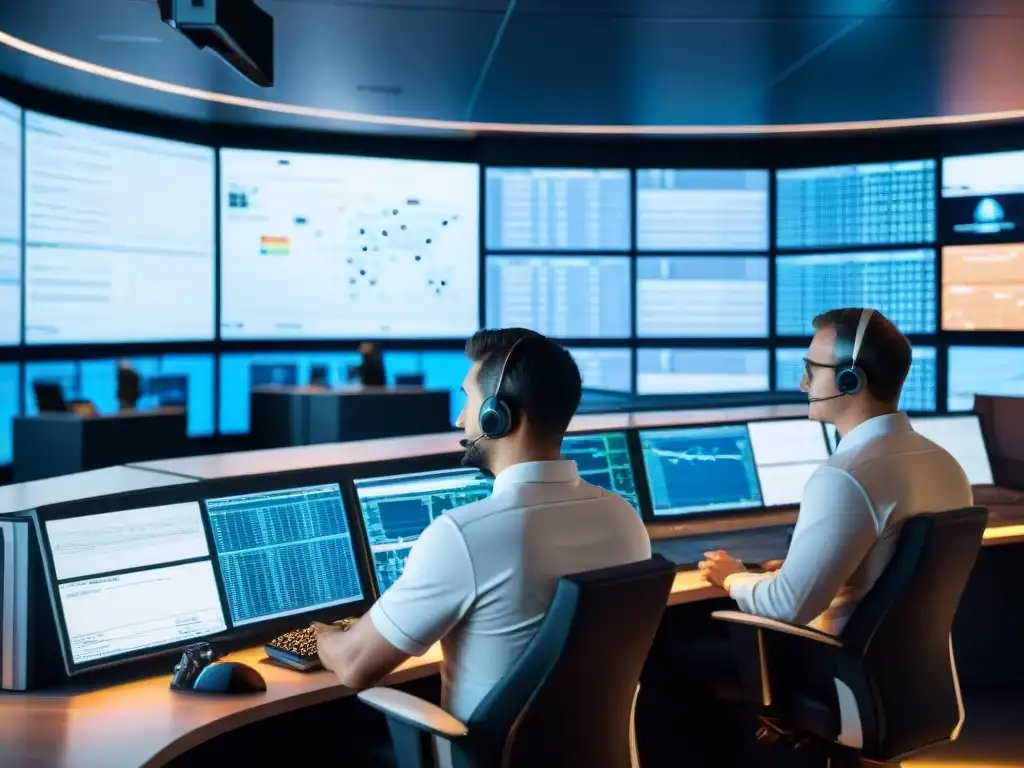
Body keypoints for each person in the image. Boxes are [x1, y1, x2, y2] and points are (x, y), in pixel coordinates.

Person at [313, 328, 651, 763]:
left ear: (499, 416)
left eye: (468, 401)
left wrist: (323, 637)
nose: (459, 419)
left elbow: (355, 667)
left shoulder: (464, 535)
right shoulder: (623, 518)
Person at [700, 307, 974, 634]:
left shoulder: (845, 476)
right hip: (914, 671)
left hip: (832, 667)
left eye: (811, 370)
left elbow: (788, 606)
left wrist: (732, 576)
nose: (803, 384)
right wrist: (801, 570)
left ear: (850, 379)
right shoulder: (946, 463)